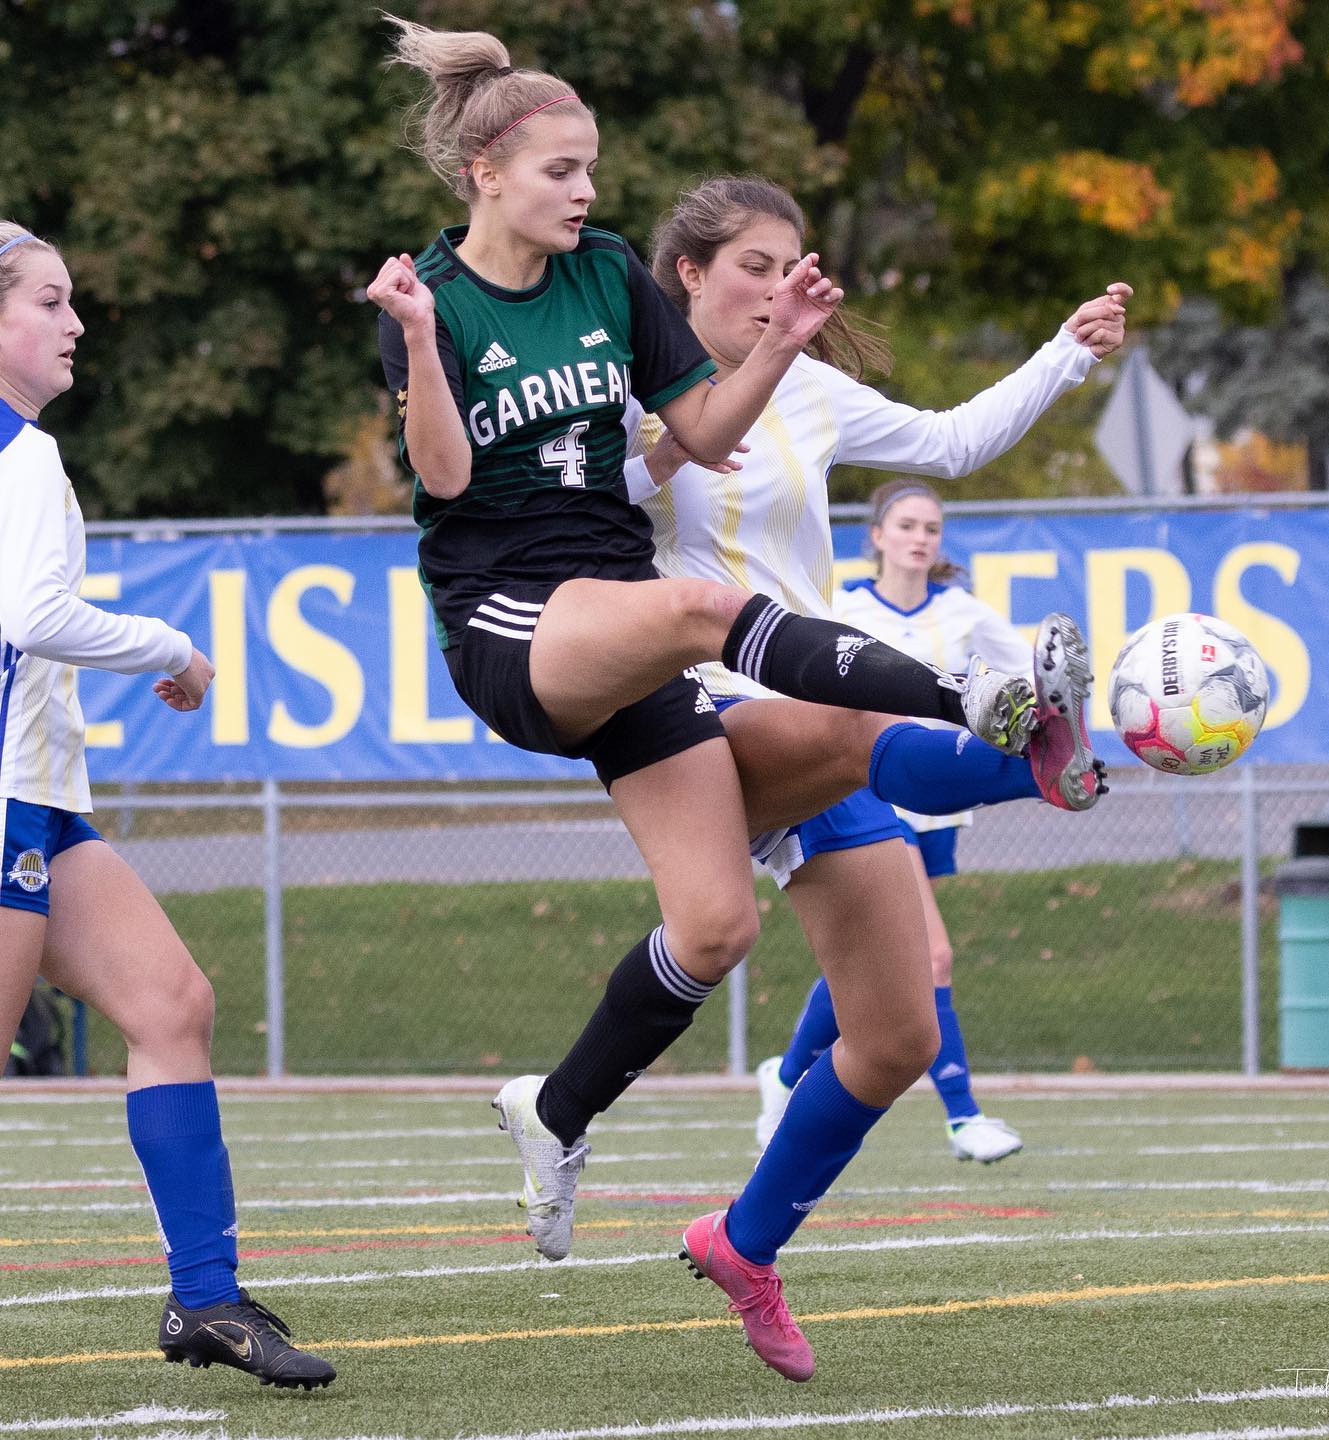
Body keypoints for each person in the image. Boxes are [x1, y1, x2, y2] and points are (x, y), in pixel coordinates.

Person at [367, 18, 1064, 1271]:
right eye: (560, 172)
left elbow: (698, 429)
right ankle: (978, 702)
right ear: (484, 175)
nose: (586, 191)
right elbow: (445, 474)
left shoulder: (611, 273)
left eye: (590, 170)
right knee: (701, 618)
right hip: (509, 615)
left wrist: (784, 342)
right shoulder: (438, 299)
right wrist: (417, 343)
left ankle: (557, 1110)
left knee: (716, 926)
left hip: (619, 619)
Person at [496, 172, 1123, 1381]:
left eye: (794, 265)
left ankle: (742, 1243)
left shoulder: (815, 390)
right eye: (754, 265)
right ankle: (1030, 751)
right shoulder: (628, 395)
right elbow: (595, 497)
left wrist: (1065, 352)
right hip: (697, 716)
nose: (783, 286)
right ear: (685, 276)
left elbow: (949, 442)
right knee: (856, 726)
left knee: (891, 1038)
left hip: (824, 700)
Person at [0, 222, 334, 1390]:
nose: (75, 321)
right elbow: (35, 617)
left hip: (36, 802)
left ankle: (205, 1301)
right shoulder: (22, 457)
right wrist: (172, 646)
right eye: (50, 300)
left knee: (173, 1003)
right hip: (6, 804)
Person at [755, 477, 1052, 1168]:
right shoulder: (843, 604)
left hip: (937, 798)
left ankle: (785, 1074)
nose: (921, 538)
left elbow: (1028, 689)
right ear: (878, 536)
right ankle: (963, 1118)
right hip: (867, 790)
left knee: (874, 961)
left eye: (931, 528)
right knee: (930, 957)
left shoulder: (965, 613)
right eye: (908, 525)